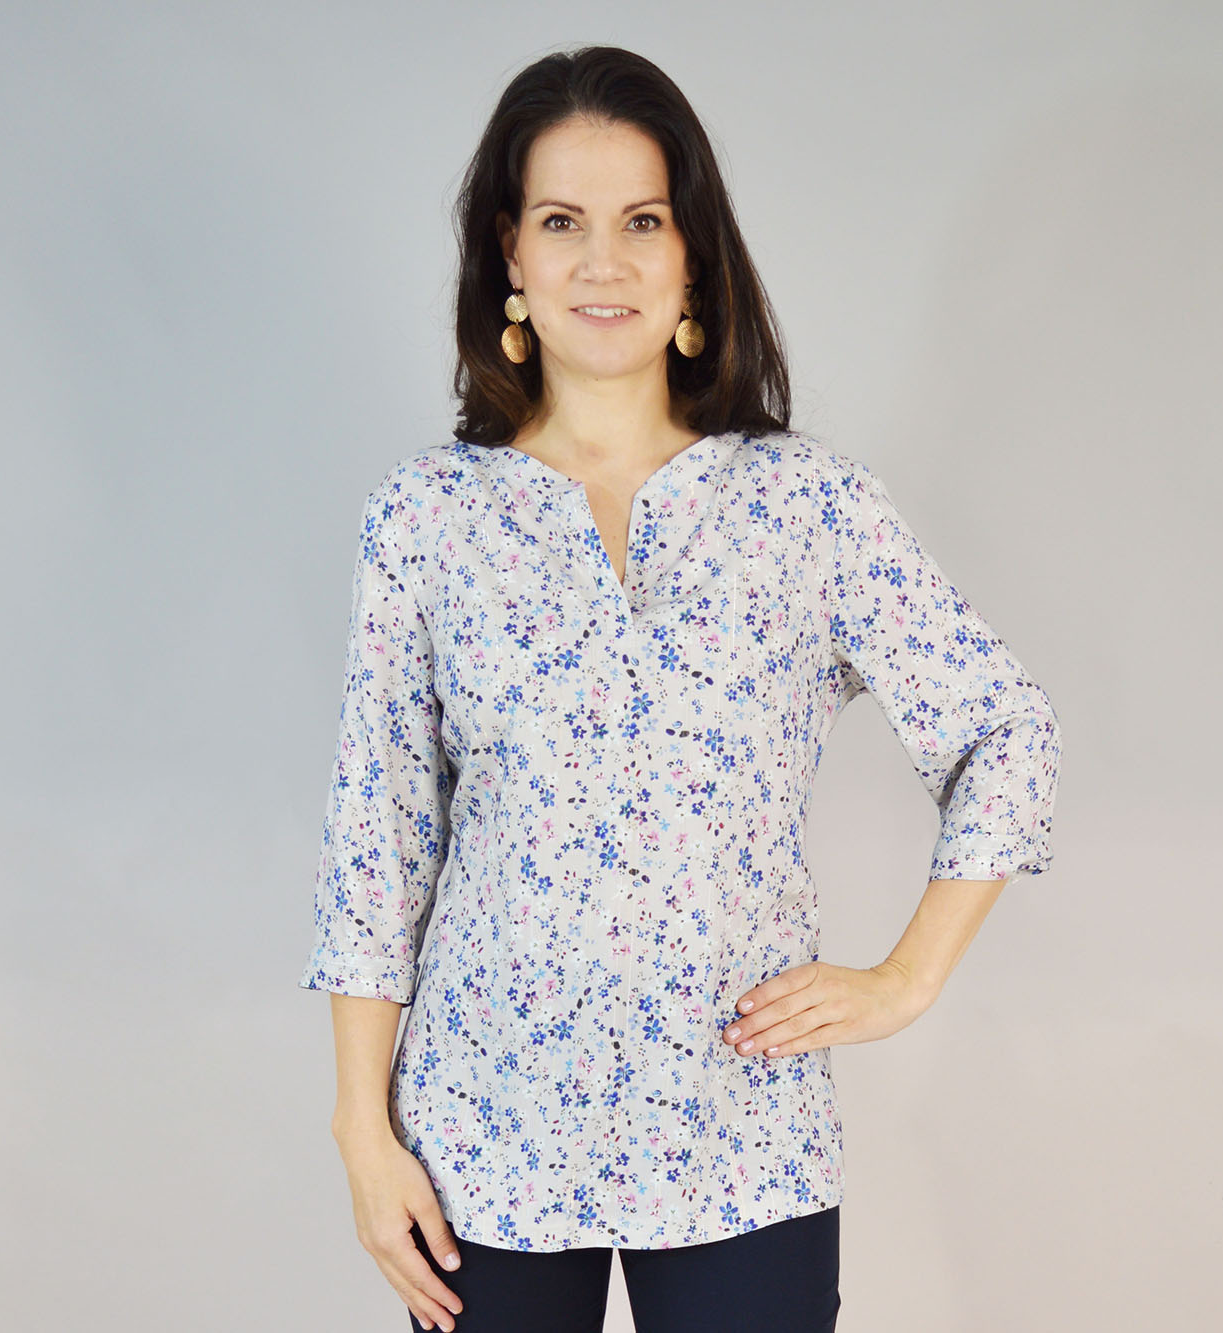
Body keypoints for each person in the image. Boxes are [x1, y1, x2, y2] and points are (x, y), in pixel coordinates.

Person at [298, 44, 1063, 1333]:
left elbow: (1006, 728)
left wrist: (906, 978)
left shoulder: (804, 505)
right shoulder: (428, 517)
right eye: (563, 222)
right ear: (510, 256)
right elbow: (379, 837)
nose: (604, 261)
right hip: (483, 1135)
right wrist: (361, 1135)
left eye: (642, 221)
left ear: (693, 255)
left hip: (740, 1132)